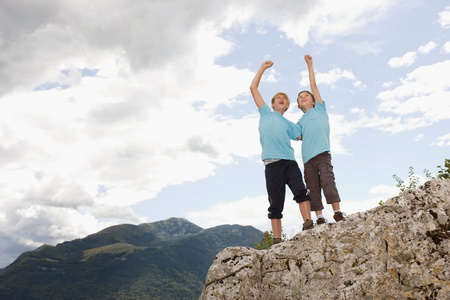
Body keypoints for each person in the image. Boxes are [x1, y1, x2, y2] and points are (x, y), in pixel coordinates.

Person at [250, 60, 313, 244]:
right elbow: (253, 88)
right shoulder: (265, 114)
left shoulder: (289, 124)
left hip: (289, 163)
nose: (282, 98)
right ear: (272, 104)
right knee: (275, 203)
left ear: (286, 106)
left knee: (301, 191)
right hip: (272, 165)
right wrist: (262, 69)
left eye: (285, 98)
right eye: (278, 97)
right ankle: (277, 239)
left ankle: (308, 222)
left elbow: (303, 135)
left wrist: (312, 114)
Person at [296, 55, 346, 225]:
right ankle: (319, 217)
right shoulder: (300, 122)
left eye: (306, 96)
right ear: (297, 106)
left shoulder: (320, 109)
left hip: (322, 154)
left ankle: (337, 211)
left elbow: (313, 85)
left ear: (314, 101)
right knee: (312, 187)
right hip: (307, 160)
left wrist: (310, 65)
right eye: (300, 97)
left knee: (327, 180)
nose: (303, 97)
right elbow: (294, 134)